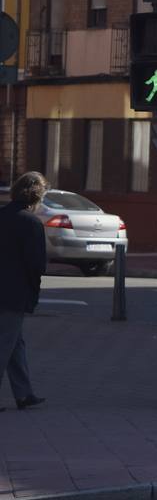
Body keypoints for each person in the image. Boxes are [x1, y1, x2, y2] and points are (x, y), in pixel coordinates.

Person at [0, 172, 49, 412]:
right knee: (5, 343)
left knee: (15, 343)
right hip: (14, 293)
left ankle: (24, 393)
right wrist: (34, 292)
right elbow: (36, 265)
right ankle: (23, 394)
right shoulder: (31, 224)